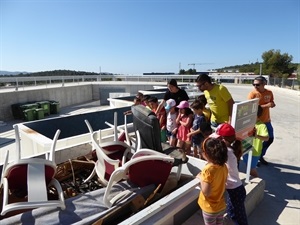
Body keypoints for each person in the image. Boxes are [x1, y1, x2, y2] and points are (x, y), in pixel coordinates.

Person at [211, 123, 248, 225]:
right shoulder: (230, 150)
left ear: (223, 139)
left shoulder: (226, 152)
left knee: (237, 217)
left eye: (218, 139)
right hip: (237, 189)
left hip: (235, 191)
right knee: (236, 214)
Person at [197, 137, 228, 225]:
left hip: (209, 208)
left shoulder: (207, 170)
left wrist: (201, 178)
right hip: (221, 205)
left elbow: (206, 192)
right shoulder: (223, 166)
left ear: (206, 154)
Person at [248, 76, 275, 165]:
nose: (255, 86)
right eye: (254, 84)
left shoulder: (269, 92)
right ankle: (254, 158)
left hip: (267, 120)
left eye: (258, 84)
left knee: (270, 139)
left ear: (264, 84)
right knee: (256, 141)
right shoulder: (252, 94)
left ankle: (260, 155)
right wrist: (266, 105)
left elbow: (272, 102)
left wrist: (271, 104)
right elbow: (250, 107)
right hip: (256, 122)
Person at [243, 105, 269, 177]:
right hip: (245, 149)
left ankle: (257, 181)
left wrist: (256, 135)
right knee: (248, 166)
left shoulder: (261, 126)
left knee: (252, 169)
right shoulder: (247, 123)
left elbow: (266, 138)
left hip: (255, 152)